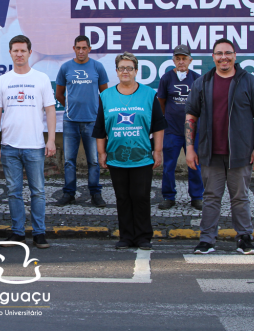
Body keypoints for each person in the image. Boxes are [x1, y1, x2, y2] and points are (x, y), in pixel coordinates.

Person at [185, 38, 254, 255]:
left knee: (240, 197)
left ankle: (244, 238)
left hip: (240, 153)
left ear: (235, 55)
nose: (224, 57)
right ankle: (207, 240)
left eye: (228, 53)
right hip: (210, 152)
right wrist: (190, 148)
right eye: (219, 53)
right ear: (213, 57)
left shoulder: (249, 82)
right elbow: (191, 115)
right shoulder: (202, 83)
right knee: (211, 197)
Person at [93, 52, 166, 250]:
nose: (125, 71)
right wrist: (101, 153)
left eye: (129, 68)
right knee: (122, 197)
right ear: (116, 71)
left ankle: (143, 237)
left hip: (142, 156)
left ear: (136, 71)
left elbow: (159, 125)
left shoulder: (149, 94)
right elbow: (100, 127)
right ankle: (125, 236)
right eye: (121, 68)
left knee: (141, 197)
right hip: (116, 157)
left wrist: (157, 150)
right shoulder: (106, 95)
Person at [0, 35, 56, 249]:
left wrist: (51, 140)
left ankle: (39, 233)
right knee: (13, 192)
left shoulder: (41, 79)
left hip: (35, 146)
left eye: (23, 50)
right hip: (9, 146)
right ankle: (17, 233)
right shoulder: (2, 80)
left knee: (38, 191)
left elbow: (50, 111)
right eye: (15, 50)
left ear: (30, 52)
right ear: (10, 53)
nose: (19, 54)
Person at [55, 35, 109, 207]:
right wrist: (70, 107)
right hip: (70, 121)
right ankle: (69, 193)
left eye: (84, 48)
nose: (81, 51)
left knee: (93, 160)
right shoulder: (65, 67)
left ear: (89, 49)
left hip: (92, 122)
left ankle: (95, 193)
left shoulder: (97, 67)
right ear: (74, 48)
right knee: (69, 161)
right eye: (78, 48)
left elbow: (105, 95)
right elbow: (59, 94)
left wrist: (96, 112)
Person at [156, 44, 203, 210]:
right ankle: (169, 196)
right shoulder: (167, 78)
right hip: (172, 131)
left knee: (195, 165)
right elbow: (161, 101)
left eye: (184, 58)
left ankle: (197, 197)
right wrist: (165, 120)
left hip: (192, 132)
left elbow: (201, 104)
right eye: (178, 58)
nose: (181, 61)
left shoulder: (197, 78)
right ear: (173, 60)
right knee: (169, 166)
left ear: (190, 60)